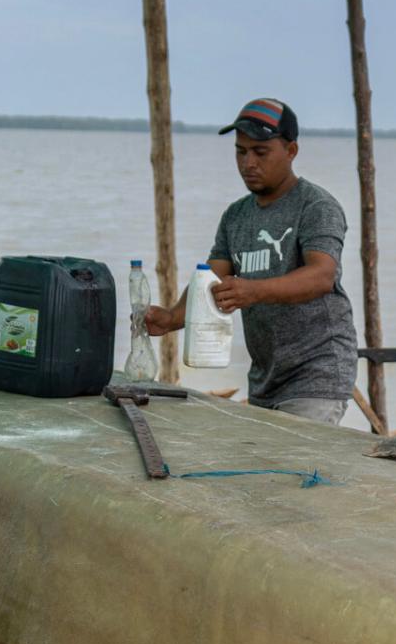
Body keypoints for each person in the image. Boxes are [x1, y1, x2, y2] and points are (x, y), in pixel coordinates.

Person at [146, 98, 357, 424]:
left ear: (291, 151)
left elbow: (321, 276)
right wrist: (171, 317)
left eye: (260, 152)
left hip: (317, 372)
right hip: (264, 378)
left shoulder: (315, 206)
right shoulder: (236, 216)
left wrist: (254, 291)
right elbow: (210, 279)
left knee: (297, 467)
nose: (248, 163)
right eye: (240, 151)